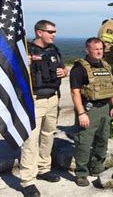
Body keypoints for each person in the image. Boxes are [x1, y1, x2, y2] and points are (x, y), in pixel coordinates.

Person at [21, 20, 68, 197]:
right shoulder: (25, 51)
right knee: (31, 140)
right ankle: (28, 181)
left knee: (48, 135)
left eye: (54, 31)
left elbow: (63, 68)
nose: (53, 34)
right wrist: (22, 64)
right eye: (50, 31)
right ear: (39, 32)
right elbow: (10, 71)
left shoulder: (54, 49)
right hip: (34, 100)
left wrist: (64, 72)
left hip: (53, 98)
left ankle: (43, 168)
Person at [69, 37, 113, 187]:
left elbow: (111, 88)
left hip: (105, 109)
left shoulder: (106, 66)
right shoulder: (79, 68)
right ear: (87, 50)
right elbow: (75, 92)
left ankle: (97, 167)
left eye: (101, 49)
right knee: (84, 142)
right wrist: (81, 113)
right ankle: (82, 173)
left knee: (102, 140)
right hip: (88, 110)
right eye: (95, 49)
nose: (99, 52)